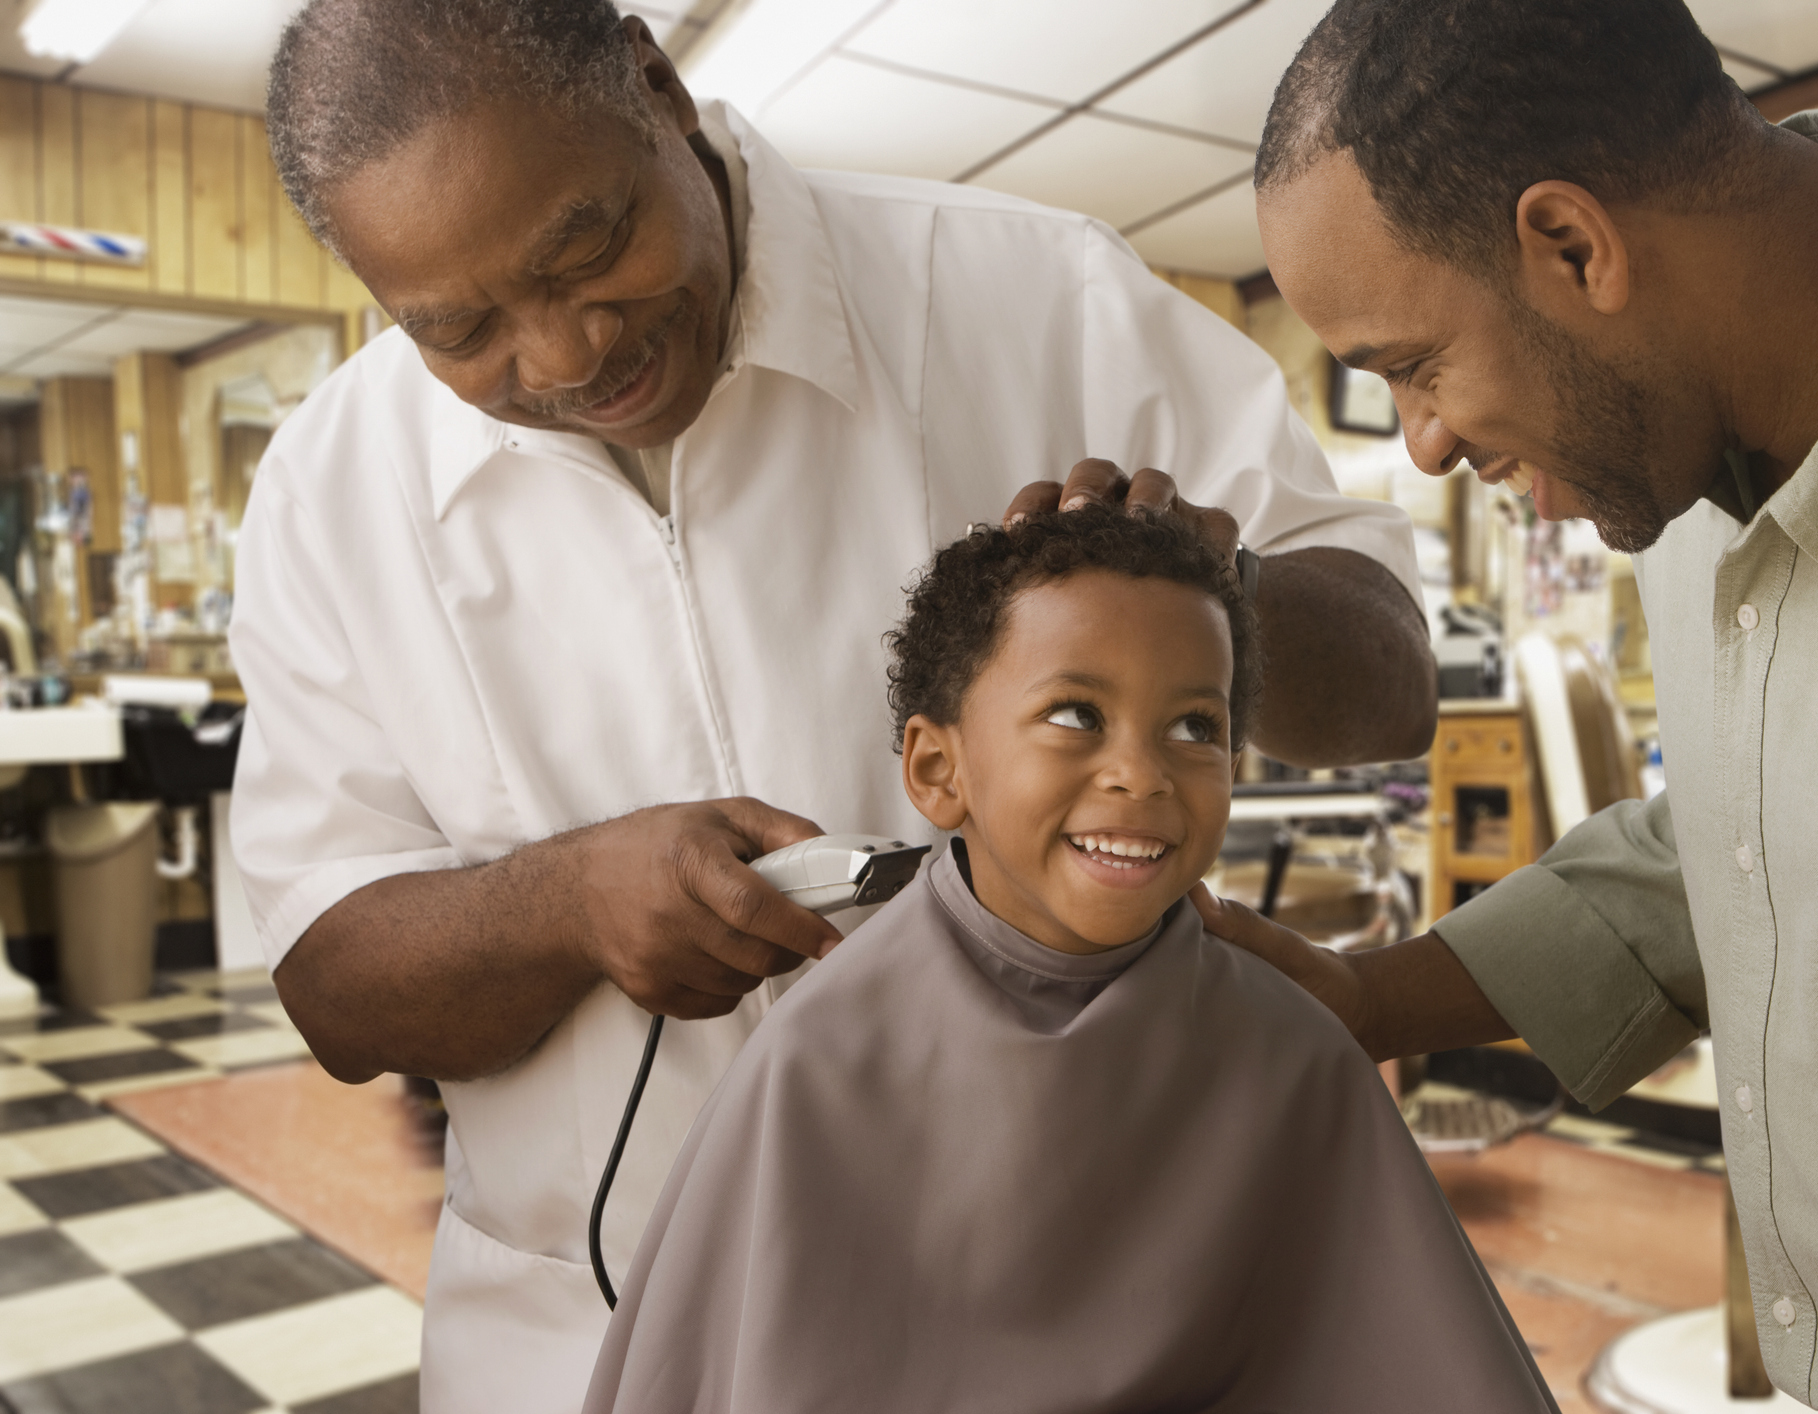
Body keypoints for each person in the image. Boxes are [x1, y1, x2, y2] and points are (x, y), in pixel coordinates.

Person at [235, 1, 1436, 1408]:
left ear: (653, 82)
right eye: (462, 328)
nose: (564, 359)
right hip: (577, 1343)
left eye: (589, 249)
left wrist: (1198, 598)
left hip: (1074, 1317)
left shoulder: (1036, 294)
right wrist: (564, 906)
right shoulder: (333, 490)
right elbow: (333, 984)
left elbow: (1391, 679)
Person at [1204, 2, 1818, 1412]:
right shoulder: (1681, 434)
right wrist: (1365, 998)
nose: (1426, 444)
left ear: (1574, 245)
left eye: (1413, 366)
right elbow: (1757, 836)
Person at [583, 504, 1557, 1414]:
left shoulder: (1293, 1057)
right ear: (937, 769)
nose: (1141, 772)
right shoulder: (822, 1063)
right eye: (1077, 715)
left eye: (1195, 728)